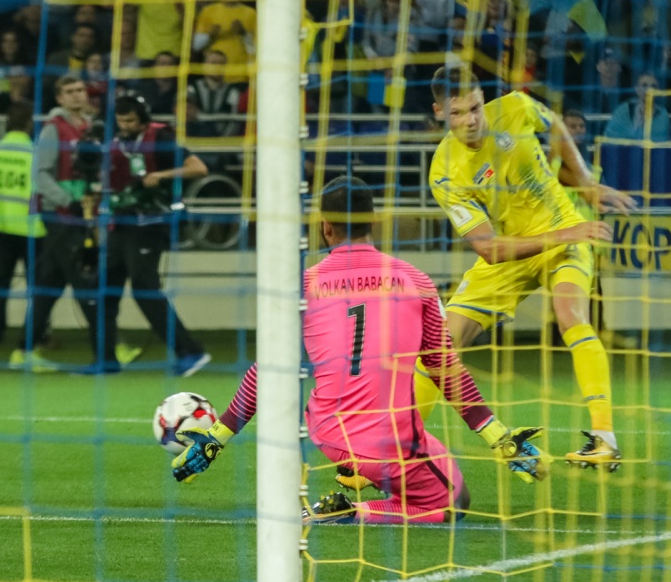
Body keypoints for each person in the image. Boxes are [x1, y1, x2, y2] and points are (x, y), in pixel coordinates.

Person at [170, 176, 550, 524]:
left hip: (328, 434)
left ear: (325, 227)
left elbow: (264, 371)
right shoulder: (416, 281)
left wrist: (216, 438)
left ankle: (349, 492)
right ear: (374, 222)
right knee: (453, 501)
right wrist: (498, 436)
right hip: (389, 439)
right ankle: (351, 513)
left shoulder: (303, 286)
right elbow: (444, 369)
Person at [427, 65, 637, 471]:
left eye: (475, 108)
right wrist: (562, 235)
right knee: (438, 346)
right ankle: (393, 452)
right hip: (513, 248)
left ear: (484, 98)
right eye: (457, 113)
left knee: (570, 313)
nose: (470, 120)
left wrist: (585, 181)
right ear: (439, 112)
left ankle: (605, 438)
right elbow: (488, 248)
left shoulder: (517, 107)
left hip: (564, 228)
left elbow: (555, 122)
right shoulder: (443, 171)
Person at [103, 94, 211, 377]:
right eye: (121, 120)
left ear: (143, 118)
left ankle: (191, 351)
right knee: (104, 289)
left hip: (151, 224)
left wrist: (162, 175)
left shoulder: (161, 137)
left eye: (130, 120)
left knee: (144, 288)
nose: (125, 125)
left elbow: (199, 168)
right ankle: (106, 359)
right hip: (120, 223)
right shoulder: (117, 141)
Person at [8, 77, 110, 373]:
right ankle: (108, 351)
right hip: (61, 215)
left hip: (84, 214)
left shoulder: (91, 127)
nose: (77, 95)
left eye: (80, 90)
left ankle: (23, 351)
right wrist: (68, 200)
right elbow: (40, 174)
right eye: (70, 92)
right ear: (60, 98)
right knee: (85, 280)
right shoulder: (54, 129)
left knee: (48, 286)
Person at [0, 102, 46, 346]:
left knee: (0, 283)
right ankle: (35, 335)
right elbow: (38, 193)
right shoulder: (34, 154)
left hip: (1, 225)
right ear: (29, 124)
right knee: (37, 288)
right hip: (31, 228)